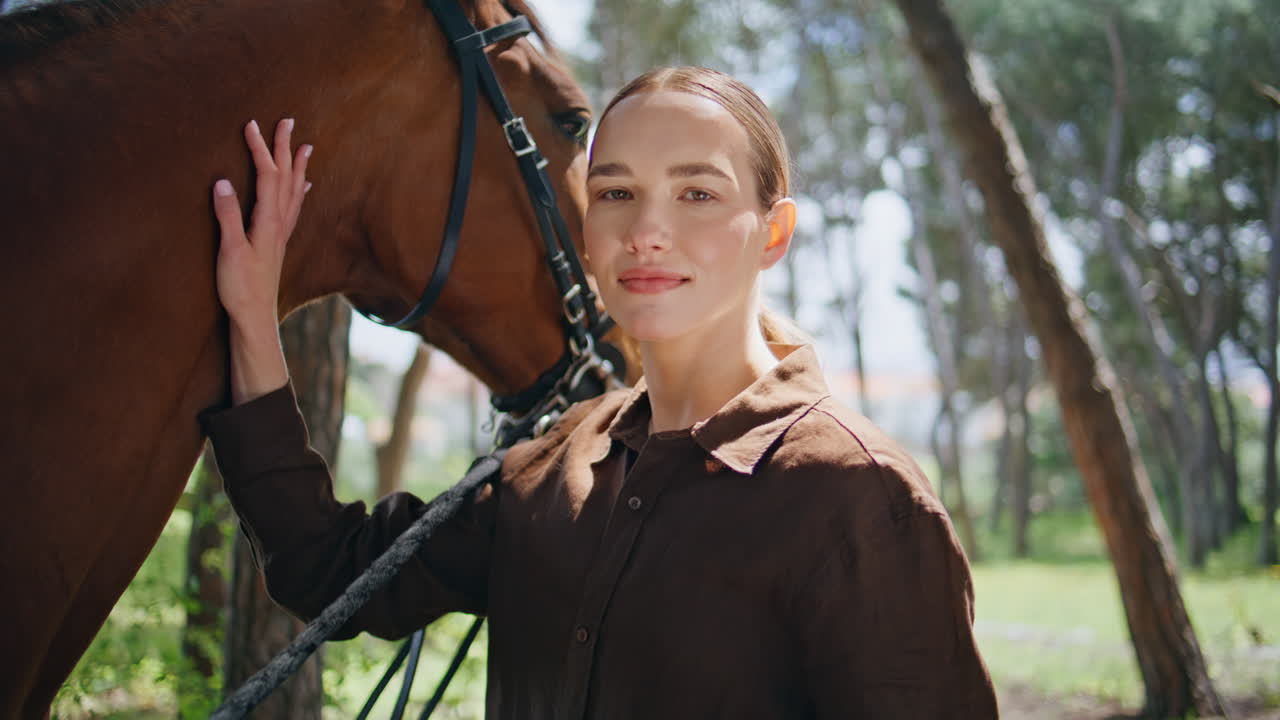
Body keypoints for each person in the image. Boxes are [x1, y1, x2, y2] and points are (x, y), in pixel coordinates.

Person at [202, 66, 999, 718]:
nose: (646, 231)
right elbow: (328, 571)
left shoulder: (864, 501)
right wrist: (252, 314)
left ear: (774, 233)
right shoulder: (544, 468)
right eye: (616, 193)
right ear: (586, 233)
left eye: (697, 193)